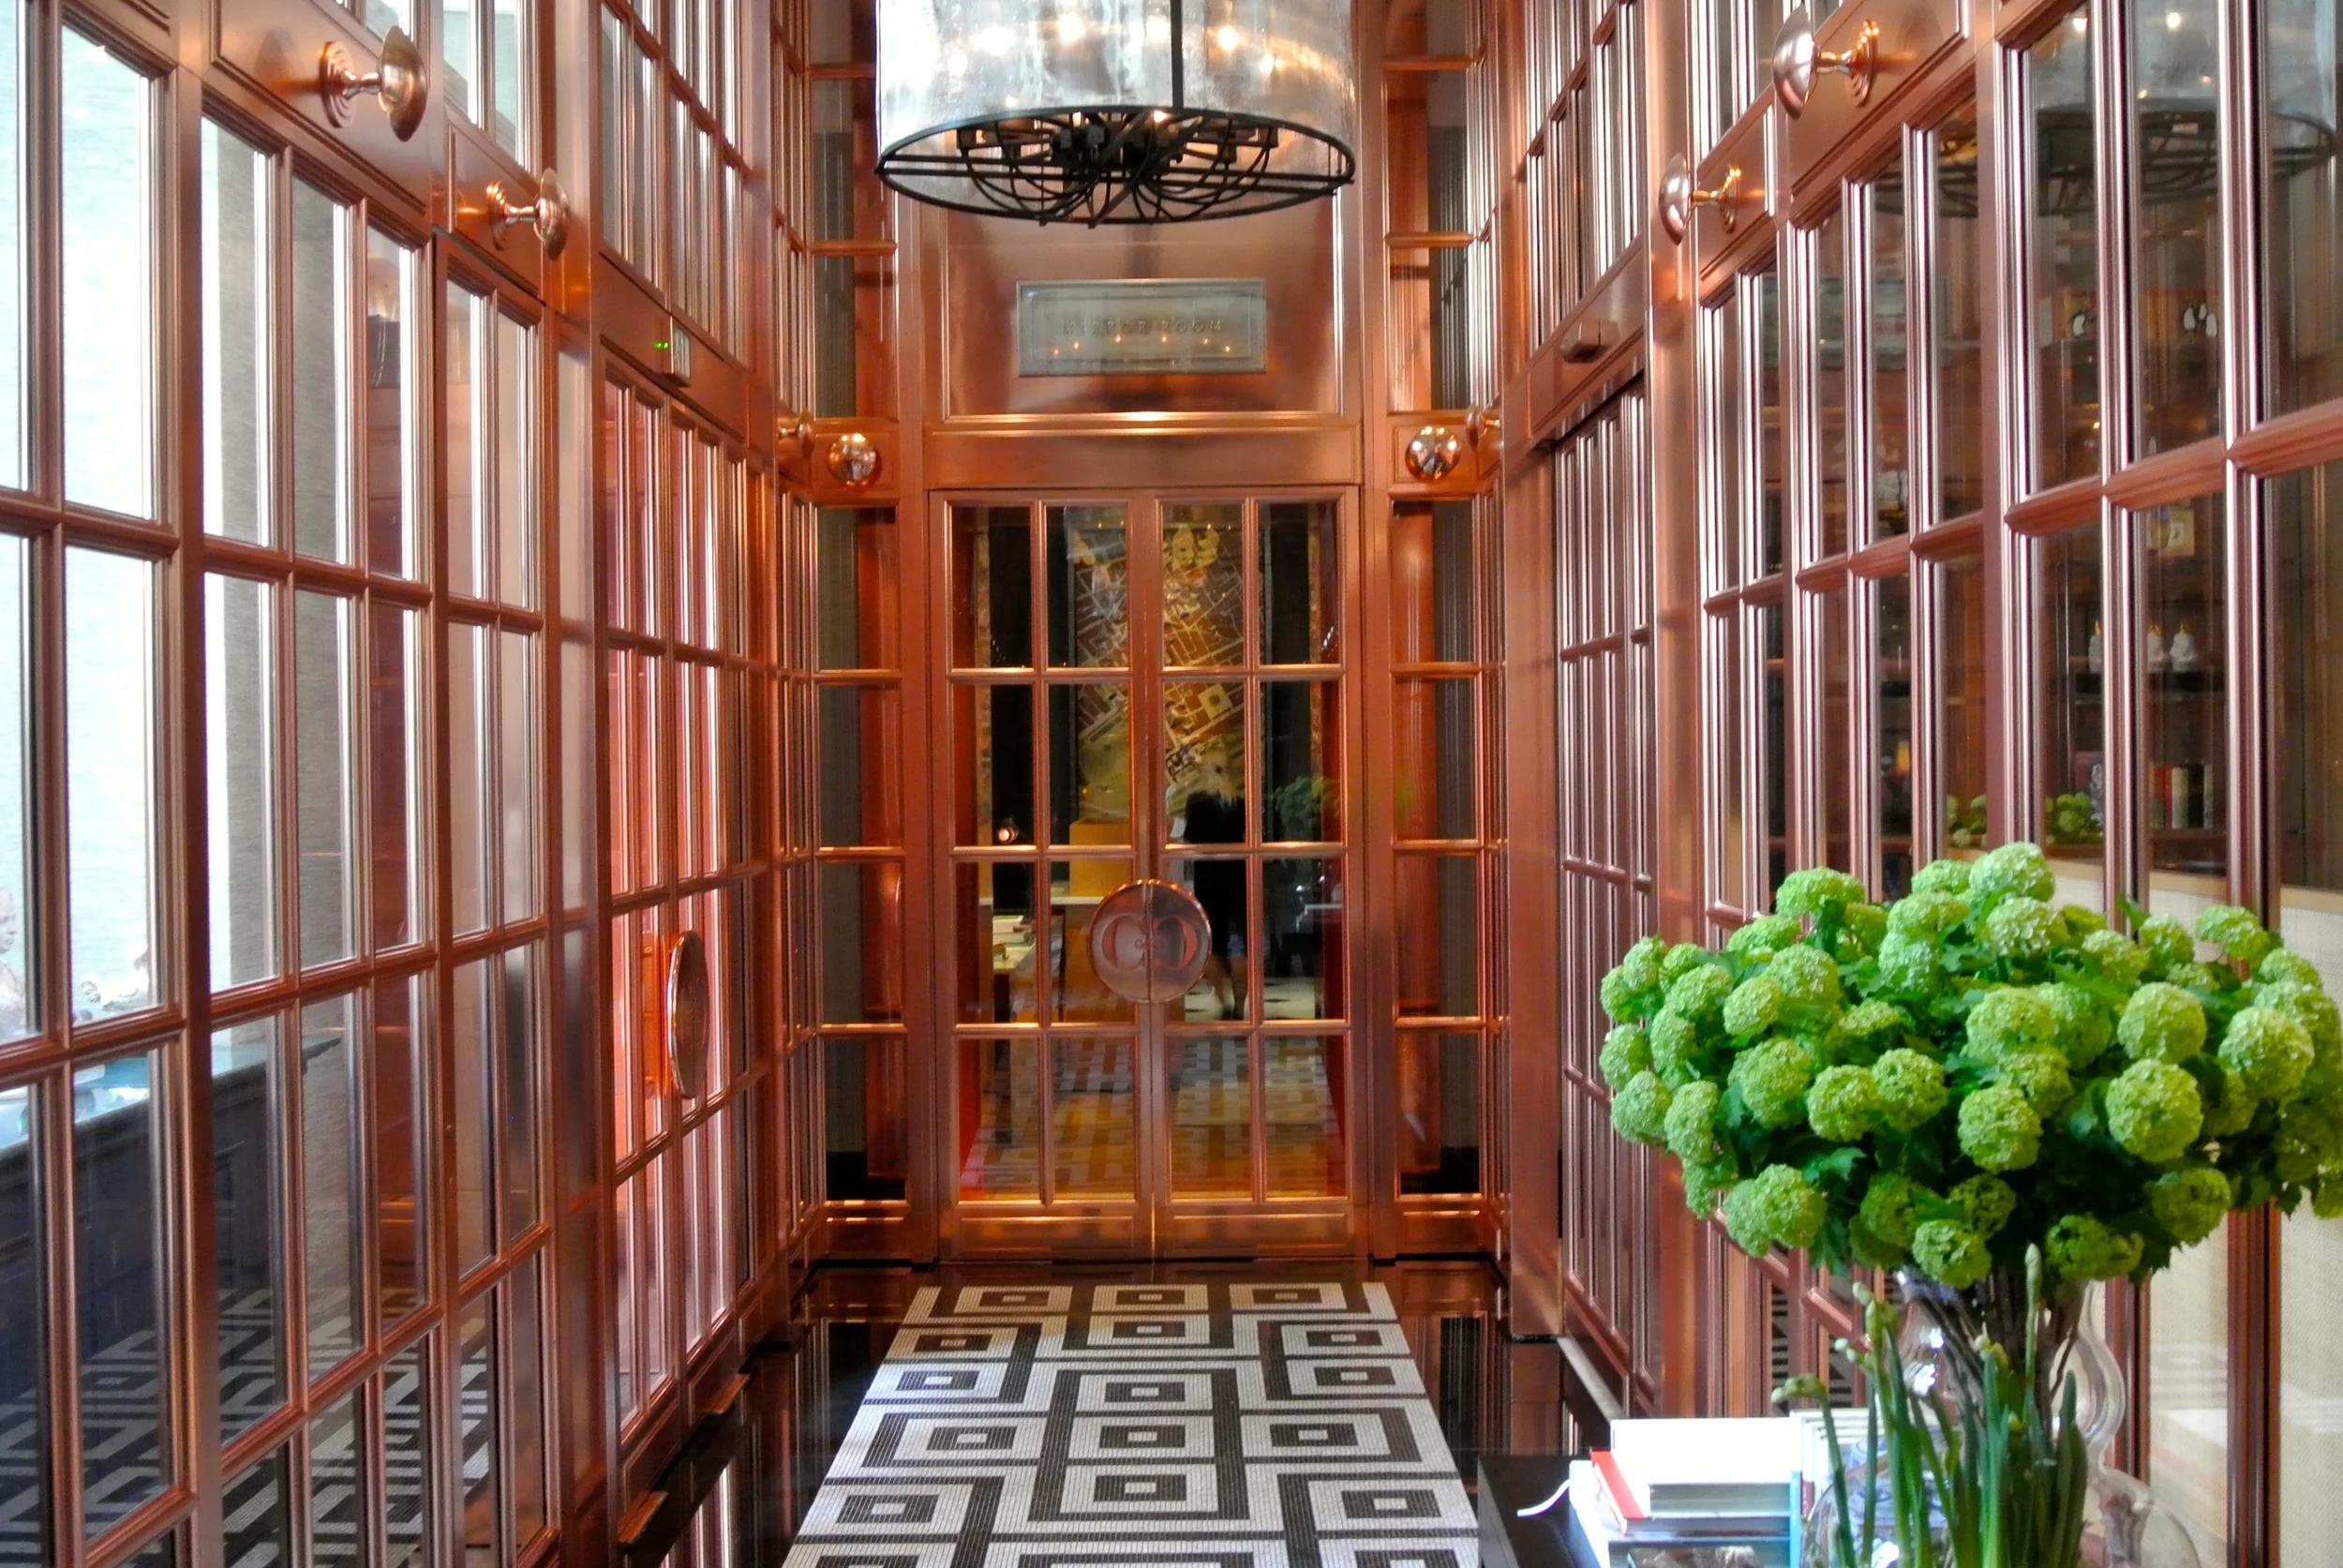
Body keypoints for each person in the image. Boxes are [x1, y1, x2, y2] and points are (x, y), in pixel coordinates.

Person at [1180, 750, 1246, 1019]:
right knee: (1240, 946)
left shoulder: (1197, 802)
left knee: (1212, 945)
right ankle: (1241, 1007)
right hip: (1238, 880)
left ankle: (1223, 1002)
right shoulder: (1240, 803)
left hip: (1207, 881)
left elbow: (1188, 841)